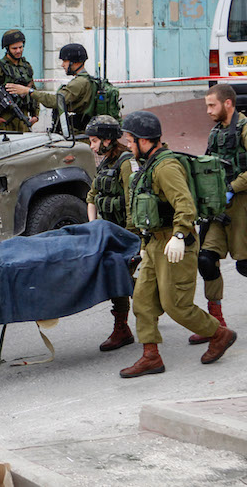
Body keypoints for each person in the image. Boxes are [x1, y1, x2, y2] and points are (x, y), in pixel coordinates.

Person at [118, 111, 237, 378]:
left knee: (176, 305)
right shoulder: (148, 165)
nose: (127, 145)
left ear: (144, 141)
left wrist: (180, 235)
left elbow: (185, 205)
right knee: (143, 302)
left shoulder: (166, 167)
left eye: (130, 140)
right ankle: (151, 356)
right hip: (154, 245)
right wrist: (143, 242)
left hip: (175, 246)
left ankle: (219, 333)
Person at [188, 83, 247, 345]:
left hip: (244, 206)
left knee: (246, 264)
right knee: (206, 259)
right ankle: (216, 323)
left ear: (228, 103)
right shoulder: (216, 132)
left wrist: (232, 187)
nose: (208, 111)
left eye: (212, 105)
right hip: (218, 208)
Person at [85, 115, 138, 351]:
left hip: (127, 234)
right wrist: (94, 227)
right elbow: (91, 197)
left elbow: (131, 204)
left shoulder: (126, 163)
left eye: (94, 140)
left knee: (132, 280)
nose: (92, 146)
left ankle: (153, 311)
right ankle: (123, 328)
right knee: (118, 279)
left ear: (108, 139)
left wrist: (130, 241)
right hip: (110, 234)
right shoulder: (105, 163)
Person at [9, 43, 94, 136]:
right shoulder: (87, 80)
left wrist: (28, 91)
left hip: (79, 134)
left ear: (75, 62)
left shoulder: (79, 83)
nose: (62, 65)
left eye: (65, 61)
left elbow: (55, 101)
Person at [0, 29, 39, 132]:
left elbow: (33, 91)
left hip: (23, 121)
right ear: (7, 49)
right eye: (14, 48)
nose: (18, 51)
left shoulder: (26, 67)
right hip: (5, 122)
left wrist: (35, 114)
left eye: (21, 47)